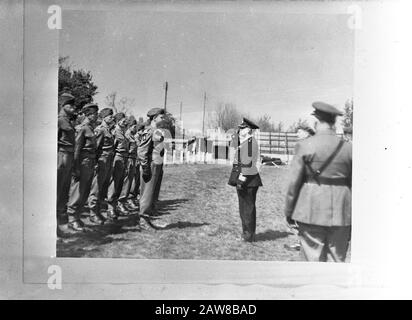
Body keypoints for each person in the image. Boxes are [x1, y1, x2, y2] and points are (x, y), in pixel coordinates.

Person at [284, 101, 352, 262]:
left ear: (316, 120)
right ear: (334, 122)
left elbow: (293, 183)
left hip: (311, 209)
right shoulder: (349, 148)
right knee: (337, 261)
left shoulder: (305, 145)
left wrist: (289, 212)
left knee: (311, 261)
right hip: (342, 210)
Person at [66, 103, 99, 231]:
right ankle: (71, 219)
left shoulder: (91, 128)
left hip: (90, 162)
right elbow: (76, 149)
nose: (96, 116)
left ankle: (77, 217)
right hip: (82, 162)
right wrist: (75, 167)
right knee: (78, 191)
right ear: (88, 115)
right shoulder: (82, 128)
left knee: (85, 192)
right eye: (95, 114)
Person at [230, 117, 262, 242]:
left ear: (248, 130)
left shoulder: (250, 143)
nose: (240, 129)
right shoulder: (246, 142)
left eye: (242, 128)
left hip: (248, 181)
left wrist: (241, 180)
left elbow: (247, 164)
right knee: (244, 208)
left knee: (247, 209)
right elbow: (234, 143)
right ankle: (246, 233)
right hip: (247, 180)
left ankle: (248, 235)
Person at [87, 107, 115, 225]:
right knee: (96, 187)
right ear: (104, 117)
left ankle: (98, 212)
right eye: (110, 116)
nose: (112, 118)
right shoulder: (100, 129)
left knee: (103, 187)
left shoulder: (109, 130)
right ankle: (92, 213)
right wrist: (96, 162)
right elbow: (95, 147)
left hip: (108, 160)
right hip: (101, 160)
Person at [138, 108, 166, 225]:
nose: (163, 119)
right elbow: (142, 150)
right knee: (147, 193)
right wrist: (145, 167)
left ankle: (148, 216)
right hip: (150, 165)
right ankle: (143, 220)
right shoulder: (149, 131)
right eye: (161, 117)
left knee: (153, 193)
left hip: (157, 164)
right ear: (154, 118)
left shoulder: (157, 131)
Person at [56, 93, 77, 235]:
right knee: (57, 192)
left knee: (64, 193)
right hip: (61, 156)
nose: (73, 107)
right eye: (70, 105)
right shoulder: (59, 120)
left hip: (69, 156)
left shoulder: (68, 121)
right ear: (63, 106)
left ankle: (61, 225)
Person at [107, 112, 130, 220]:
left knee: (120, 183)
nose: (125, 122)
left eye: (125, 120)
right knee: (114, 183)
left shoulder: (124, 131)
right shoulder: (115, 131)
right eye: (123, 120)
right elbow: (112, 146)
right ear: (118, 120)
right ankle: (110, 208)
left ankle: (115, 206)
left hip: (124, 158)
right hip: (117, 157)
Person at [118, 118, 139, 213]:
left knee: (131, 181)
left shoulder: (132, 136)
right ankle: (120, 203)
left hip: (133, 159)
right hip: (128, 159)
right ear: (130, 127)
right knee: (126, 182)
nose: (136, 128)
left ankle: (126, 201)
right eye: (134, 126)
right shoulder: (127, 135)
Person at [128, 123, 146, 208]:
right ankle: (130, 198)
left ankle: (134, 197)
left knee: (137, 181)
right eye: (142, 130)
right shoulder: (136, 137)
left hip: (138, 160)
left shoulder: (140, 137)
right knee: (133, 181)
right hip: (134, 160)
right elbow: (139, 148)